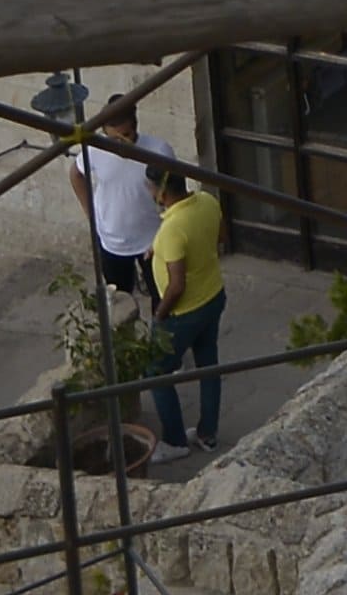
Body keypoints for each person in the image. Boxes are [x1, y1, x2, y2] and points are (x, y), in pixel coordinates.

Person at [143, 159, 228, 449]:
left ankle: (175, 442)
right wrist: (161, 248)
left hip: (183, 313)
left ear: (162, 192)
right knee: (208, 366)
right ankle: (208, 434)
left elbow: (176, 286)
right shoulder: (207, 201)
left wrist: (160, 314)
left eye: (150, 187)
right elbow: (221, 236)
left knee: (156, 373)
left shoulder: (173, 229)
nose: (148, 192)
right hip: (213, 295)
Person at [76, 113, 159, 324]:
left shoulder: (158, 150)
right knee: (120, 301)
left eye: (127, 135)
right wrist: (90, 215)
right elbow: (76, 174)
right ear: (105, 133)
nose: (121, 144)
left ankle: (161, 338)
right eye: (114, 139)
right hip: (112, 239)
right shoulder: (95, 150)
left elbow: (173, 188)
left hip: (152, 240)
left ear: (135, 126)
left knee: (160, 296)